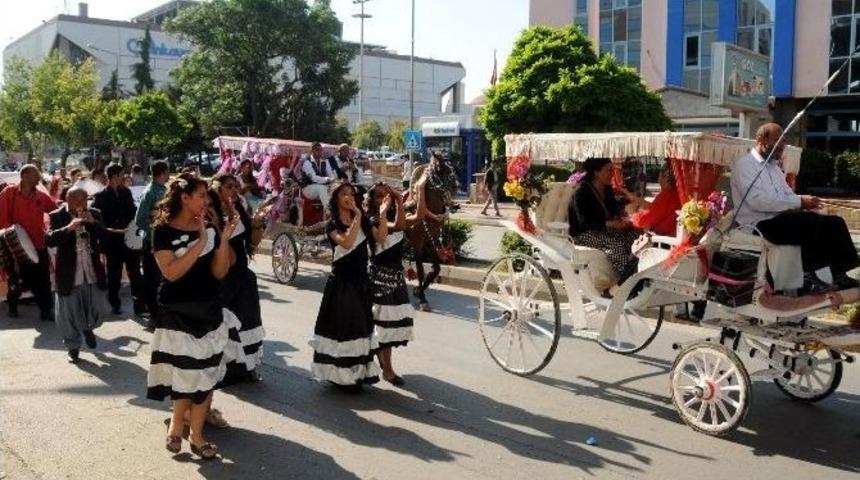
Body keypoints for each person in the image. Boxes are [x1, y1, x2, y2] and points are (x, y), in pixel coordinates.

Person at [146, 174, 246, 460]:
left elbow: (219, 272)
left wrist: (222, 240)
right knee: (185, 374)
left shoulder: (211, 228)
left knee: (205, 375)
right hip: (176, 311)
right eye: (201, 195)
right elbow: (171, 273)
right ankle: (177, 427)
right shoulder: (162, 230)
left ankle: (196, 436)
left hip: (209, 309)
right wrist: (200, 242)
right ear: (184, 197)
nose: (206, 201)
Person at [731, 122, 860, 293]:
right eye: (777, 140)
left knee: (834, 222)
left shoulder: (774, 169)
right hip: (758, 224)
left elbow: (787, 196)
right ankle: (808, 278)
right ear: (761, 140)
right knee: (807, 224)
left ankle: (839, 274)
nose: (782, 145)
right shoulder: (745, 165)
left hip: (779, 219)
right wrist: (799, 202)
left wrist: (806, 202)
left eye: (784, 140)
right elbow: (759, 201)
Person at [309, 181, 380, 388]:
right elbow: (347, 243)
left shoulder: (362, 220)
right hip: (342, 283)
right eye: (344, 194)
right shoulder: (332, 225)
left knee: (361, 328)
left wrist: (383, 213)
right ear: (336, 199)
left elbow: (381, 237)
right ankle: (341, 375)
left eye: (352, 194)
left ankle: (357, 373)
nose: (349, 197)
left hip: (361, 281)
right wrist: (357, 216)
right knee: (344, 329)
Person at [211, 173, 267, 382]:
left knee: (249, 322)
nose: (234, 190)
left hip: (244, 278)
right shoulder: (212, 215)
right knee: (228, 325)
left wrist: (258, 224)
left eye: (236, 186)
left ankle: (249, 365)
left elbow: (251, 244)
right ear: (217, 189)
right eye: (229, 186)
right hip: (225, 279)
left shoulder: (239, 209)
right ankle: (227, 369)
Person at [46, 187, 107, 363]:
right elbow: (49, 239)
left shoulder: (94, 213)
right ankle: (73, 348)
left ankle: (87, 328)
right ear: (68, 200)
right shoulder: (56, 216)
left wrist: (93, 223)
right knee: (69, 313)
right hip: (69, 273)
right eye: (77, 200)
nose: (81, 203)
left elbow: (105, 237)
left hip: (92, 270)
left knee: (99, 309)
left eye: (84, 199)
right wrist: (68, 228)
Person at [366, 183, 416, 386]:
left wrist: (398, 199)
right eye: (379, 196)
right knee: (382, 326)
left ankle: (386, 365)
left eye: (385, 196)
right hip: (379, 278)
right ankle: (387, 369)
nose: (383, 199)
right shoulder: (372, 219)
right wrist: (383, 211)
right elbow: (383, 236)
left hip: (395, 279)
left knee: (392, 326)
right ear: (372, 200)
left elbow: (401, 226)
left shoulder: (392, 217)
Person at [568, 157, 640, 285]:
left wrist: (624, 217)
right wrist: (611, 224)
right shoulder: (582, 192)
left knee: (636, 235)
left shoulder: (607, 190)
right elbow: (584, 223)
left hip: (605, 230)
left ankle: (639, 272)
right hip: (584, 234)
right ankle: (628, 282)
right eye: (608, 170)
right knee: (616, 245)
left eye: (612, 170)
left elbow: (614, 211)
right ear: (596, 172)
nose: (612, 174)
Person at [0, 164, 57, 320]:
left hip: (39, 244)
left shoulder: (41, 196)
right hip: (15, 247)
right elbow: (2, 219)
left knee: (43, 279)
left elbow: (55, 211)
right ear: (24, 176)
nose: (39, 177)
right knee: (17, 280)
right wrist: (12, 237)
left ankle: (46, 311)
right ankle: (12, 305)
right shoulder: (9, 193)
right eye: (35, 174)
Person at [93, 163, 145, 315]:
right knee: (114, 275)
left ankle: (140, 306)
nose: (124, 177)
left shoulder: (126, 193)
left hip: (129, 238)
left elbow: (133, 213)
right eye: (122, 174)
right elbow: (98, 219)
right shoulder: (101, 196)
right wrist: (108, 231)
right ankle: (114, 304)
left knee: (135, 273)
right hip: (112, 241)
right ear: (114, 176)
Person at [135, 160, 170, 327]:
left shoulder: (164, 190)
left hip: (166, 241)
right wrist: (155, 234)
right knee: (152, 280)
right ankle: (153, 316)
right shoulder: (149, 192)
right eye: (167, 171)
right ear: (162, 172)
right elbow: (140, 219)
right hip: (152, 243)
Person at [625, 162, 681, 236]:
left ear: (665, 178)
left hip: (662, 237)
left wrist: (632, 214)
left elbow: (643, 220)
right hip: (670, 234)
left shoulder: (667, 195)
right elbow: (655, 208)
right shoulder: (677, 193)